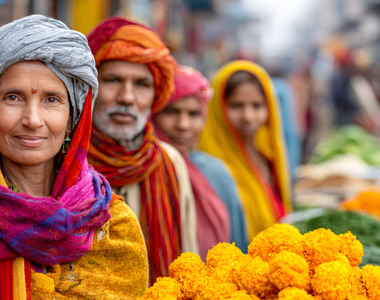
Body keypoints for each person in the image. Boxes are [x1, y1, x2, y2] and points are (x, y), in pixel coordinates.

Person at [0, 15, 148, 299]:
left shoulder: (114, 228)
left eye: (51, 100)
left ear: (74, 118)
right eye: (12, 97)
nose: (32, 120)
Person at [87, 17, 198, 282]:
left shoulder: (170, 162)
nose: (127, 97)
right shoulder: (63, 161)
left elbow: (187, 260)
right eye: (114, 80)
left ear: (155, 93)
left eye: (141, 84)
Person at [153, 65, 249, 254]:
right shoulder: (140, 175)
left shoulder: (216, 173)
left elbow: (237, 249)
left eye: (194, 114)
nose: (183, 125)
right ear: (153, 115)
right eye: (172, 111)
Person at [199, 60, 291, 240]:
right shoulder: (210, 169)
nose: (248, 117)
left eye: (256, 106)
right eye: (236, 106)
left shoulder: (268, 157)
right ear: (218, 109)